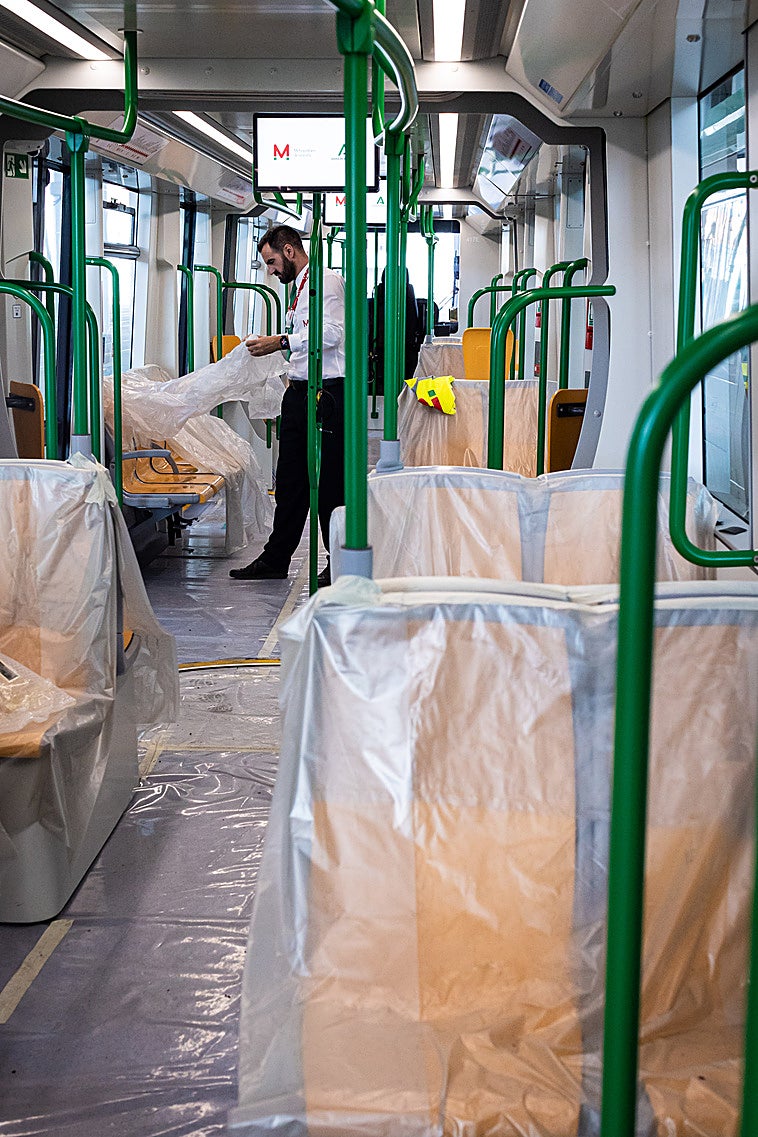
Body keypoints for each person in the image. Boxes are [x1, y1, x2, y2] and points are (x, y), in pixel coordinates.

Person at [229, 224, 345, 587]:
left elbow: (332, 334)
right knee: (292, 481)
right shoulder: (300, 287)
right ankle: (276, 557)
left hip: (325, 393)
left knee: (329, 485)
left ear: (290, 251)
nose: (272, 270)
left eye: (272, 261)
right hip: (299, 392)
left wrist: (279, 341)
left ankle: (338, 561)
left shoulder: (324, 283)